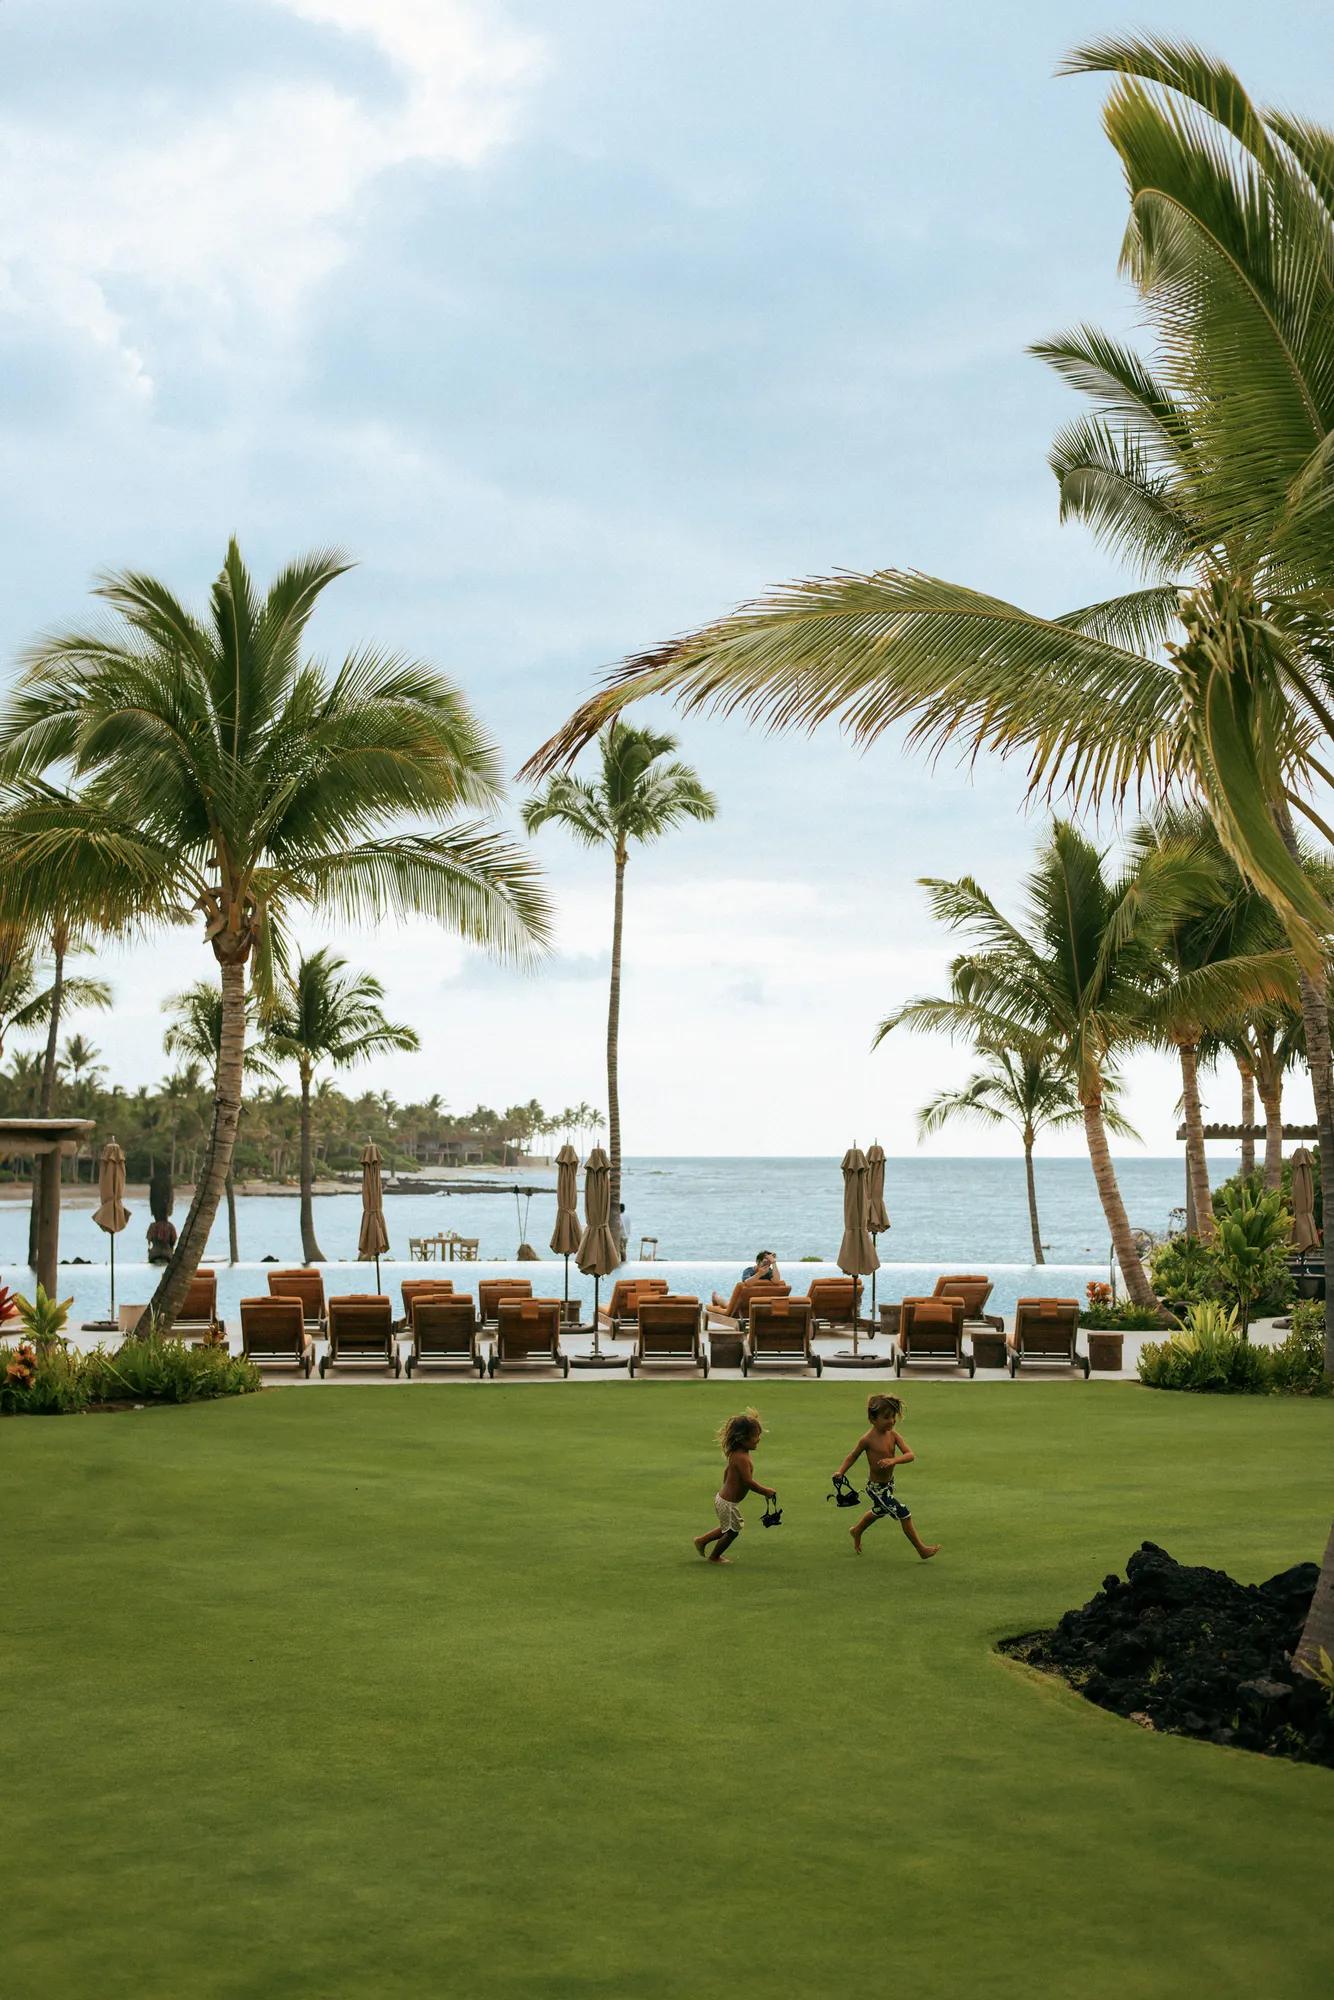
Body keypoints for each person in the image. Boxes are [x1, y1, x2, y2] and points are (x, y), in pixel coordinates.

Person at [833, 1393, 940, 1560]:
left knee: (880, 1510)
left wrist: (893, 1460)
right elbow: (852, 1456)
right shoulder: (867, 1439)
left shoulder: (894, 1435)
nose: (891, 1421)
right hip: (876, 1489)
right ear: (872, 1419)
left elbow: (910, 1455)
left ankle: (856, 1530)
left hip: (888, 1485)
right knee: (904, 1513)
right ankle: (921, 1549)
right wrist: (840, 1472)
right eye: (886, 1417)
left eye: (893, 1417)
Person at [694, 1408, 776, 1564]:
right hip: (727, 1503)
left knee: (729, 1527)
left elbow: (727, 1473)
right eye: (755, 1436)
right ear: (742, 1438)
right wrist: (765, 1491)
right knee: (732, 1531)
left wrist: (726, 1487)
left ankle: (702, 1541)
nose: (758, 1439)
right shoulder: (741, 1458)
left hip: (725, 1499)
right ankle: (714, 1556)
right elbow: (748, 1481)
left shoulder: (737, 1453)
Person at [711, 1249, 780, 1308]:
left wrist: (774, 1263)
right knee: (728, 1305)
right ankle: (715, 1297)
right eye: (764, 1262)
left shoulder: (769, 1272)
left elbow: (776, 1281)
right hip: (742, 1302)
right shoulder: (749, 1271)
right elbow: (747, 1283)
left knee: (728, 1303)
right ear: (758, 1262)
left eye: (769, 1263)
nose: (766, 1265)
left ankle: (715, 1297)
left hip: (755, 1303)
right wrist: (759, 1274)